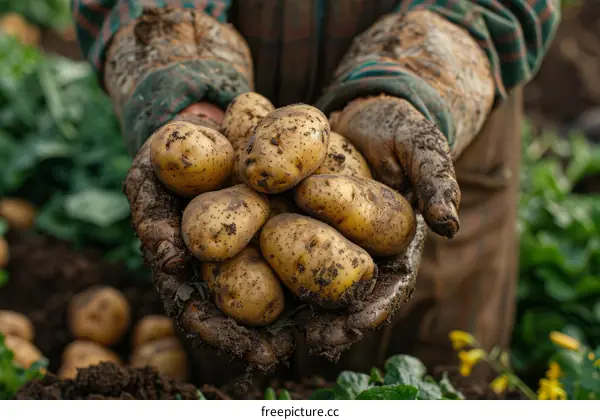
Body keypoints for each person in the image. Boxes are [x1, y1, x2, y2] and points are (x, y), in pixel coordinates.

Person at [71, 0, 560, 386]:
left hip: (433, 108)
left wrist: (416, 82)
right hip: (227, 100)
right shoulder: (246, 176)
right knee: (237, 362)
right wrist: (185, 81)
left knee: (442, 376)